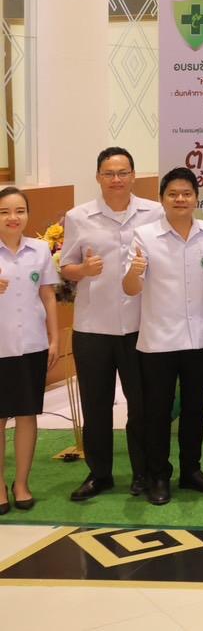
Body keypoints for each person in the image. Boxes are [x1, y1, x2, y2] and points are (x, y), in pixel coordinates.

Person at [58, 146, 162, 501]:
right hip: (93, 327)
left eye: (122, 172)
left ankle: (143, 473)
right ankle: (99, 474)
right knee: (96, 405)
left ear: (133, 176)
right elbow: (66, 267)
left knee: (142, 406)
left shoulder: (154, 213)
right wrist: (83, 270)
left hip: (140, 326)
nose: (116, 179)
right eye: (109, 173)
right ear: (98, 177)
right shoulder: (78, 216)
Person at [122, 168, 203, 505]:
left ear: (196, 198)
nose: (180, 199)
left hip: (200, 338)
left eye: (187, 193)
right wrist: (134, 272)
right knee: (158, 411)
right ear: (162, 198)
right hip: (158, 340)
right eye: (173, 194)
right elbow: (130, 288)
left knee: (196, 409)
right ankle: (158, 476)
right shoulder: (144, 235)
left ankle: (191, 471)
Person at [0, 187, 60, 515]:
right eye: (4, 212)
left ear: (27, 214)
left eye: (19, 211)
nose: (13, 218)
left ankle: (21, 483)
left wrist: (55, 339)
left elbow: (48, 295)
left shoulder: (39, 250)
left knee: (27, 415)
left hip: (32, 345)